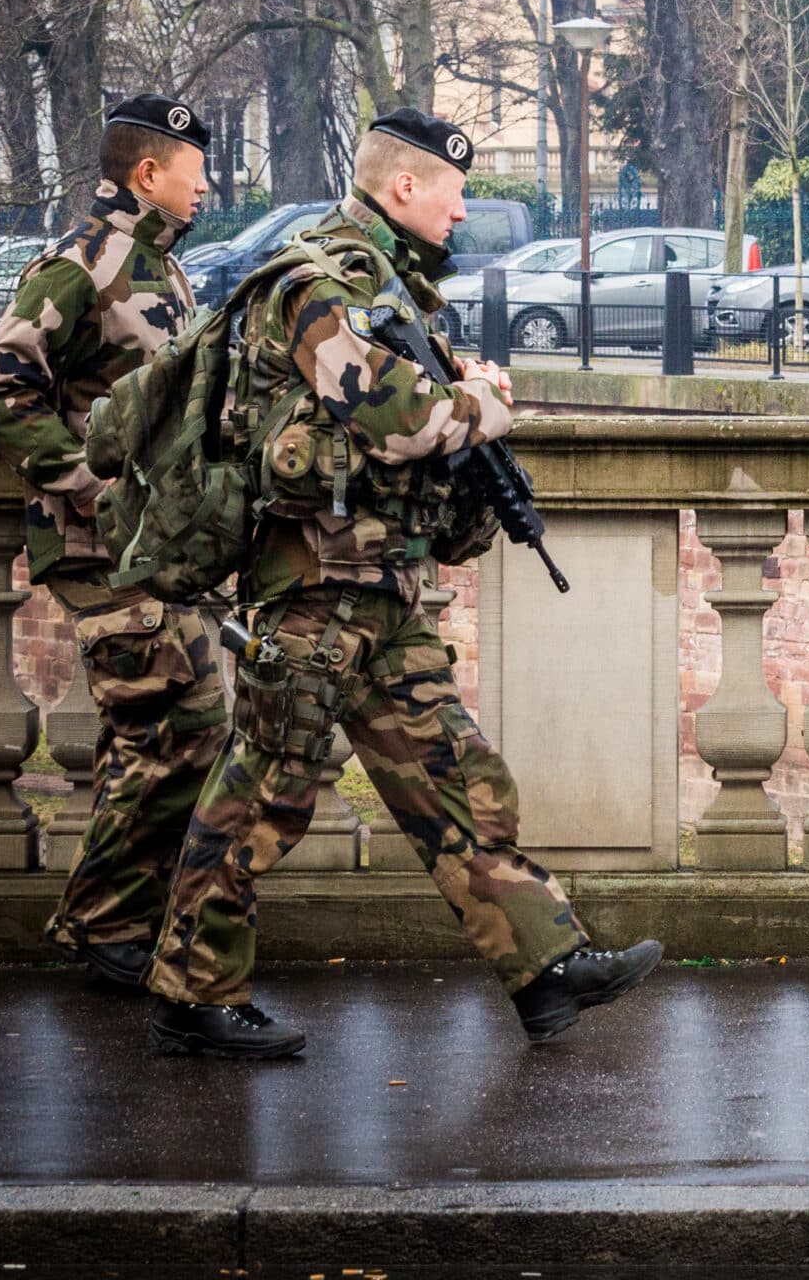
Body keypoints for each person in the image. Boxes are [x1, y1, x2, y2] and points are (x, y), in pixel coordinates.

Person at [143, 109, 659, 1058]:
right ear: (406, 187)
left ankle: (545, 969)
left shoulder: (389, 289)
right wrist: (488, 404)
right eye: (455, 192)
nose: (465, 212)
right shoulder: (315, 282)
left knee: (457, 782)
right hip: (309, 595)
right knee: (265, 793)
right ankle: (191, 993)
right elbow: (395, 418)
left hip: (380, 592)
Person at [0, 96, 225, 992]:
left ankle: (120, 924)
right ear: (148, 174)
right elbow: (2, 388)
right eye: (196, 170)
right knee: (187, 723)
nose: (209, 186)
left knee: (148, 734)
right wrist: (91, 483)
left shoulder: (161, 265)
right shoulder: (80, 262)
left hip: (154, 548)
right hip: (98, 550)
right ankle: (101, 923)